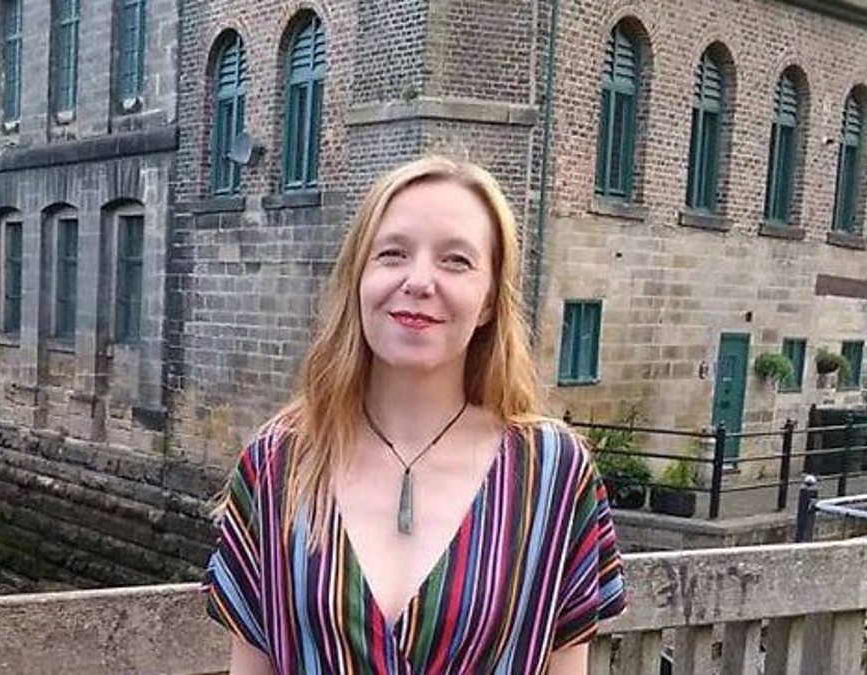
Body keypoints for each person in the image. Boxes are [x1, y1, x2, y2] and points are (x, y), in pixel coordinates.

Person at [204, 156, 626, 674]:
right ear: (358, 278)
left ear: (489, 300)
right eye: (393, 253)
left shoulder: (553, 472)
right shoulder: (278, 463)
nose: (420, 280)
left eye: (456, 260)